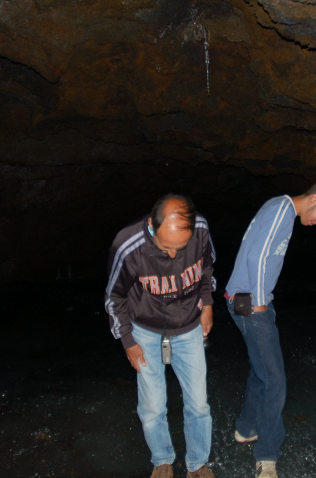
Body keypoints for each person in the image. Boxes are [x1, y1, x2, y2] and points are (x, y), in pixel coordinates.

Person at [225, 183, 316, 478]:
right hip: (249, 302)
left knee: (260, 367)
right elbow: (258, 258)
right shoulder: (282, 210)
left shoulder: (280, 208)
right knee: (274, 378)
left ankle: (246, 428)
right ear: (313, 199)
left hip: (242, 299)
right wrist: (261, 304)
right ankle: (267, 455)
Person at [104, 194, 216, 478]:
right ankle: (162, 459)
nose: (174, 255)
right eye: (166, 247)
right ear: (153, 228)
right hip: (145, 331)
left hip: (189, 326)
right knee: (153, 404)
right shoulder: (128, 245)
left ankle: (198, 463)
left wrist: (208, 305)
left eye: (182, 247)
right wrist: (128, 341)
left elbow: (207, 267)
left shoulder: (200, 228)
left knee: (199, 403)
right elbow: (114, 297)